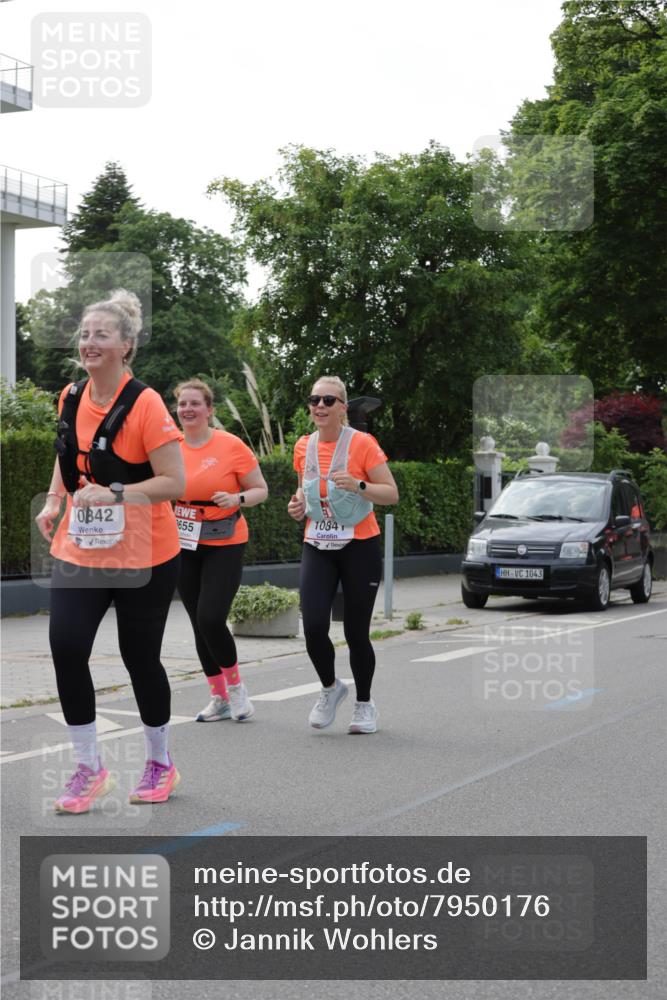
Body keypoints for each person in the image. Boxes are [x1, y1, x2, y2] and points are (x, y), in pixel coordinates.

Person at [35, 290, 185, 814]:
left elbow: (174, 481)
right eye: (84, 334)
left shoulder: (145, 403)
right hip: (83, 545)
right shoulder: (71, 395)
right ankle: (88, 768)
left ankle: (160, 762)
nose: (89, 342)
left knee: (139, 657)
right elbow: (68, 457)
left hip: (146, 551)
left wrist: (118, 492)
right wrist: (56, 500)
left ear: (126, 346)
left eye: (101, 334)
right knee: (67, 646)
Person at [288, 376, 398, 734]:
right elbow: (305, 489)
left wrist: (360, 485)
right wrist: (298, 504)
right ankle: (331, 688)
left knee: (355, 631)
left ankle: (364, 704)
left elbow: (390, 493)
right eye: (314, 399)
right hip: (317, 542)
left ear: (343, 408)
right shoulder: (303, 446)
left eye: (328, 400)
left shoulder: (362, 444)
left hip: (359, 545)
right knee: (315, 625)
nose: (320, 405)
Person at [174, 379, 268, 723]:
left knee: (210, 617)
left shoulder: (231, 445)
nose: (188, 409)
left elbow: (261, 489)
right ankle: (219, 697)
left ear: (209, 410)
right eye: (183, 404)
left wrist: (236, 498)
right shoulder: (169, 446)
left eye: (195, 403)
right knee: (198, 624)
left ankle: (237, 688)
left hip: (224, 540)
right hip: (184, 540)